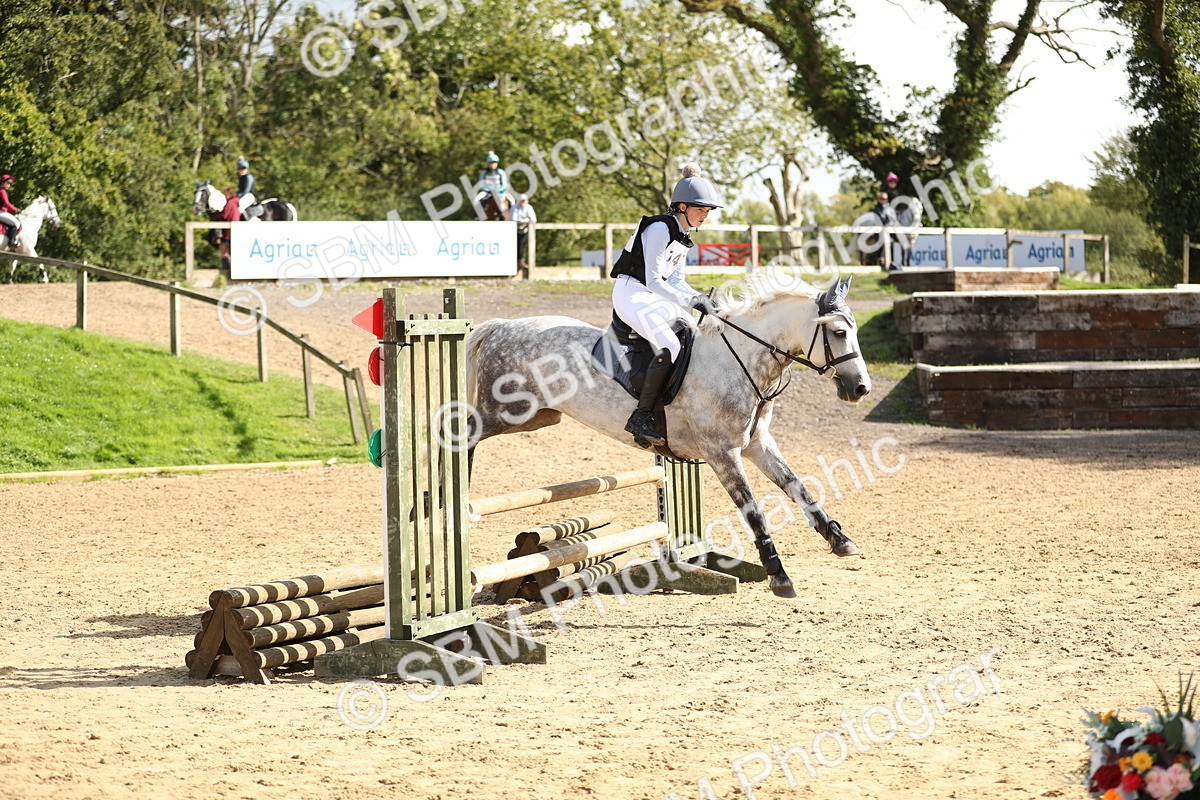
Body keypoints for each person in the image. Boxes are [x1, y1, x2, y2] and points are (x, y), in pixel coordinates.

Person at [610, 162, 721, 447]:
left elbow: (677, 282)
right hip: (631, 293)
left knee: (691, 334)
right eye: (700, 210)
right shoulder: (660, 228)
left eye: (708, 211)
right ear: (681, 207)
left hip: (650, 296)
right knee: (670, 345)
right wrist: (691, 300)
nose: (705, 216)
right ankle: (640, 417)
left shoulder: (683, 238)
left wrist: (700, 299)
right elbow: (654, 282)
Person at [475, 151, 508, 216]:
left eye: (494, 163)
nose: (493, 164)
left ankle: (510, 216)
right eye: (491, 163)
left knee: (512, 200)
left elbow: (504, 184)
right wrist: (489, 190)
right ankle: (477, 216)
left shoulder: (501, 172)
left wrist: (498, 190)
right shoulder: (484, 172)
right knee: (476, 199)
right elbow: (481, 184)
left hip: (500, 191)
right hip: (487, 191)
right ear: (488, 164)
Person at [508, 194, 537, 267]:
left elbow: (533, 220)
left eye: (524, 200)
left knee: (523, 246)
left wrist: (523, 221)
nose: (523, 202)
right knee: (515, 247)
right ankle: (515, 263)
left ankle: (521, 262)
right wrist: (526, 220)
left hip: (525, 231)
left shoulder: (529, 208)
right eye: (522, 200)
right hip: (514, 231)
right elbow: (513, 220)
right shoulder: (514, 207)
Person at [0, 174, 21, 248]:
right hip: (1, 213)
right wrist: (16, 209)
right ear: (3, 182)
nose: (9, 184)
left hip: (2, 212)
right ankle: (11, 243)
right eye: (8, 182)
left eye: (10, 183)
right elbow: (6, 203)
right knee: (17, 223)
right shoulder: (2, 191)